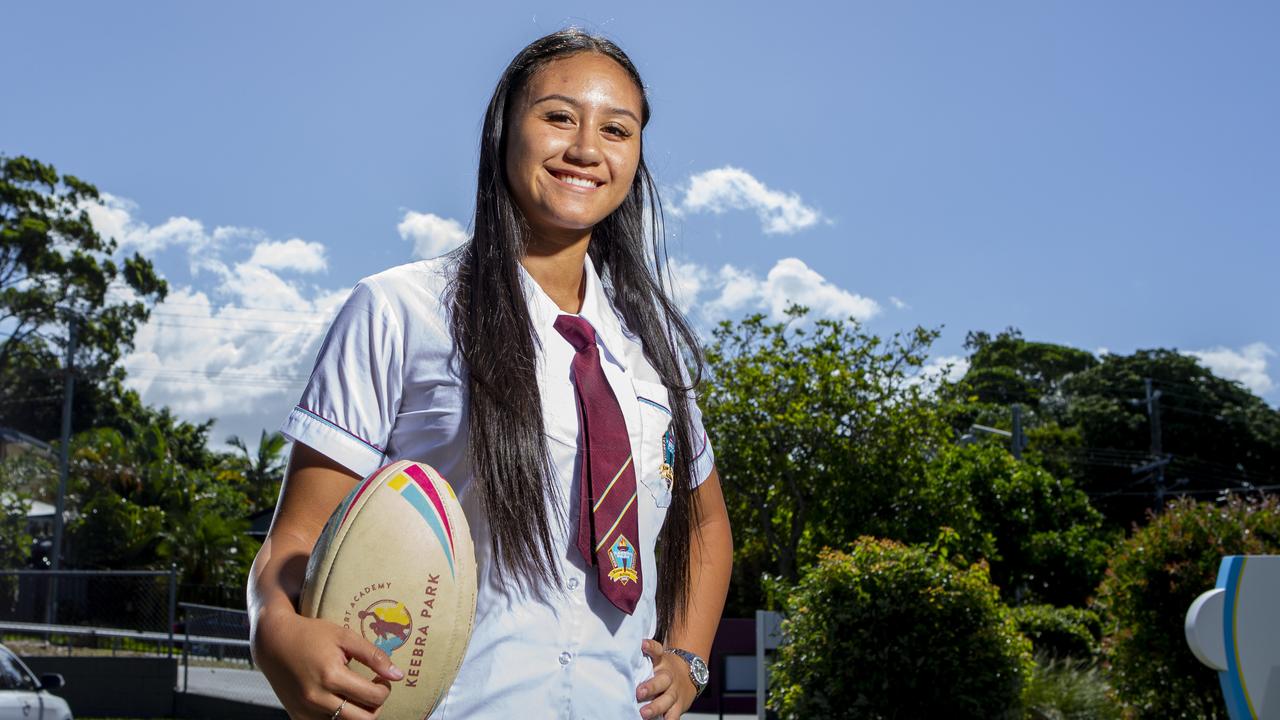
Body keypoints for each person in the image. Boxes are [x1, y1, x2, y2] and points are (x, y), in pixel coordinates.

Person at [246, 28, 733, 720]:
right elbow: (294, 541)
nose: (586, 149)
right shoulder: (398, 311)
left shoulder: (651, 349)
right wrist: (277, 631)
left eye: (616, 129)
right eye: (559, 116)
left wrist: (688, 660)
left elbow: (706, 525)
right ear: (504, 131)